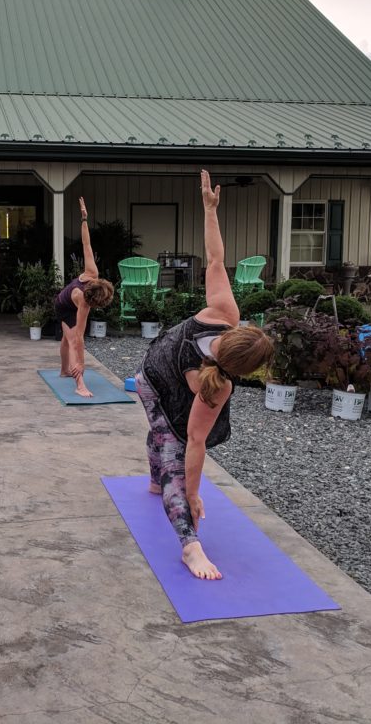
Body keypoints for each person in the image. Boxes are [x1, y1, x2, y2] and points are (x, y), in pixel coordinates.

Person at [136, 170, 274, 581]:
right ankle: (190, 547)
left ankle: (155, 482)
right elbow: (195, 443)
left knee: (164, 434)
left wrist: (210, 210)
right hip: (154, 381)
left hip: (156, 372)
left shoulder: (222, 316)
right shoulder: (219, 383)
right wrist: (193, 493)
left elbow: (215, 260)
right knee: (172, 453)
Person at [54, 197, 114, 397]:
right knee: (72, 341)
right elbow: (79, 339)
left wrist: (84, 219)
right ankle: (79, 385)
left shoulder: (91, 272)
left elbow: (86, 244)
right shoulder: (83, 303)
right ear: (93, 302)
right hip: (63, 306)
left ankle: (64, 370)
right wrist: (81, 363)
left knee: (67, 337)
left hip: (68, 298)